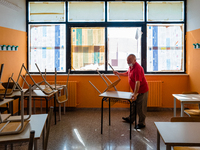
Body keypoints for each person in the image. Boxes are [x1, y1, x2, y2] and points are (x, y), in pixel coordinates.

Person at [113, 54, 149, 129]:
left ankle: (142, 123)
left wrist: (135, 94)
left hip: (142, 91)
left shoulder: (138, 69)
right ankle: (131, 119)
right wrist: (118, 73)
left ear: (134, 60)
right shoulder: (131, 66)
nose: (127, 62)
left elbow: (137, 82)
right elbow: (127, 73)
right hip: (136, 90)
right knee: (133, 105)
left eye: (129, 60)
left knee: (140, 107)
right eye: (127, 60)